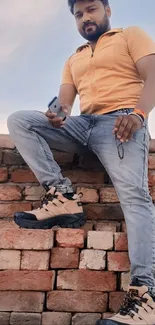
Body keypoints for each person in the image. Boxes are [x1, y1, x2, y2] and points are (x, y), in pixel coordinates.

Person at [7, 0, 155, 323]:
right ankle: (62, 195)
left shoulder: (130, 35)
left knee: (135, 198)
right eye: (78, 14)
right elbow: (64, 103)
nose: (85, 18)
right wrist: (57, 115)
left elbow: (153, 74)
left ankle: (145, 297)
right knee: (20, 120)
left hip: (120, 123)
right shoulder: (73, 58)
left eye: (91, 9)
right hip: (83, 126)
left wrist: (139, 115)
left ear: (107, 10)